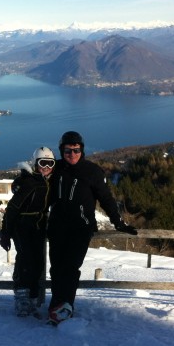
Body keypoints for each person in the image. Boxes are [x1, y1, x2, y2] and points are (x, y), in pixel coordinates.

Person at [46, 131, 137, 325]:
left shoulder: (92, 171)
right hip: (57, 228)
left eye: (76, 149)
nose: (72, 153)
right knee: (56, 268)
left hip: (81, 228)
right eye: (68, 150)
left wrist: (118, 221)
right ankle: (56, 305)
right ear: (62, 150)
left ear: (82, 150)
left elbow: (106, 199)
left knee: (70, 268)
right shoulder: (57, 169)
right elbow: (41, 185)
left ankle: (65, 307)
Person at [0, 146, 56, 317]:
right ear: (35, 163)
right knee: (26, 260)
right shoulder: (29, 183)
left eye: (50, 163)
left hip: (38, 227)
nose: (46, 167)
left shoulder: (47, 181)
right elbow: (12, 208)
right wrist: (6, 233)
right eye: (42, 163)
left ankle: (32, 297)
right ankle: (22, 297)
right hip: (23, 226)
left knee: (38, 262)